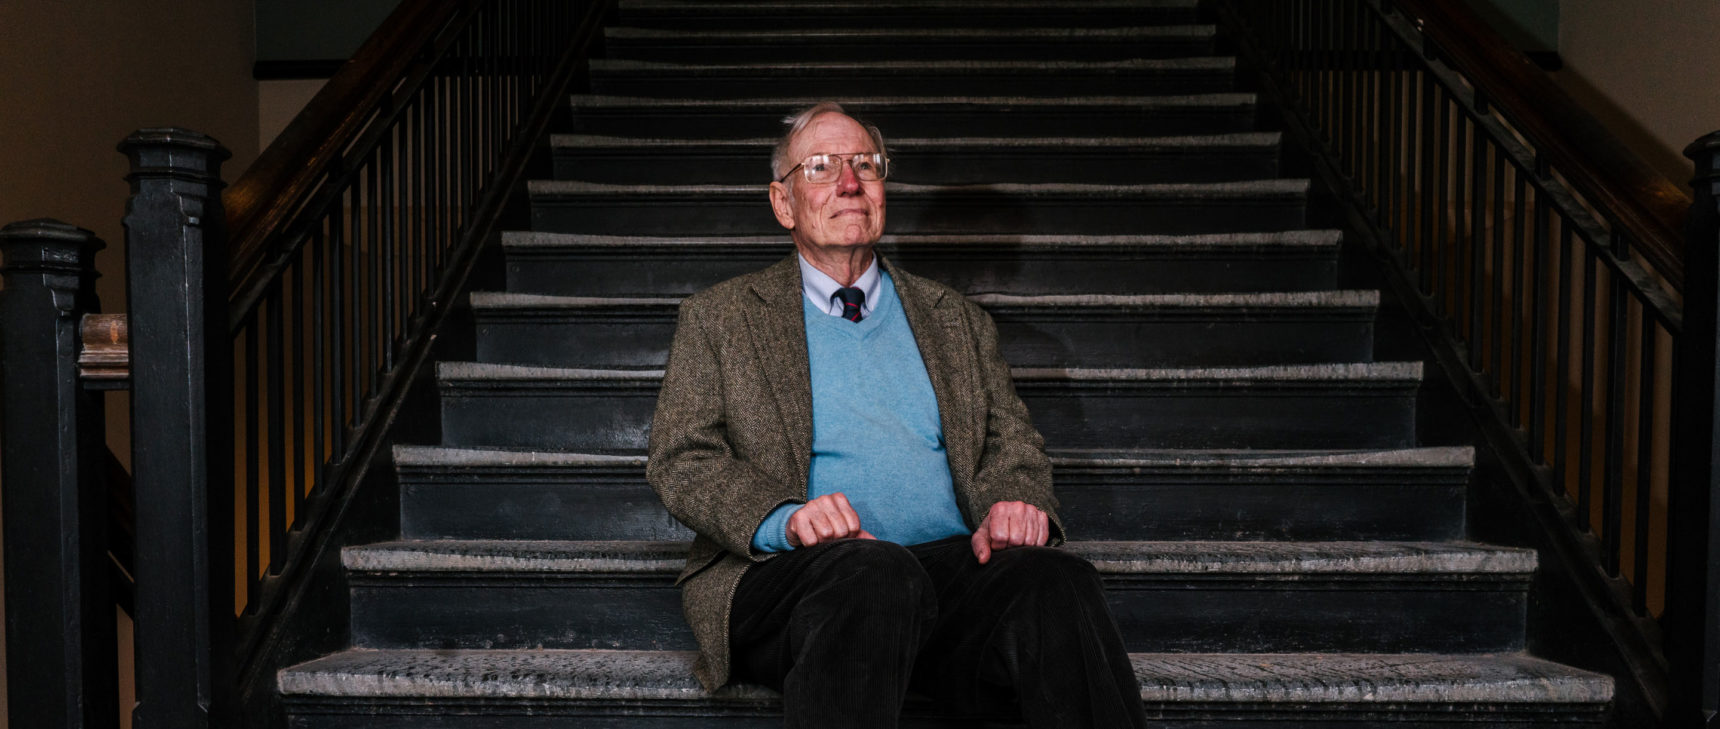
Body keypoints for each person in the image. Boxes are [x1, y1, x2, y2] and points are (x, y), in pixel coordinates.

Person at [646, 102, 1147, 728]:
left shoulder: (957, 320)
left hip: (941, 570)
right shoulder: (720, 318)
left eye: (866, 165)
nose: (849, 182)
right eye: (822, 167)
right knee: (873, 574)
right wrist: (785, 519)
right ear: (783, 203)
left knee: (1056, 582)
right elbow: (682, 457)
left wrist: (1014, 503)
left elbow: (1010, 445)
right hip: (788, 576)